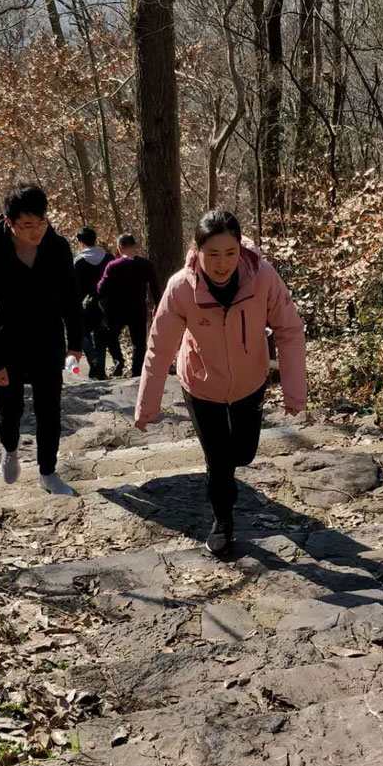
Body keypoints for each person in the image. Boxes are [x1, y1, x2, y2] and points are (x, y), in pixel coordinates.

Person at [134, 209, 306, 558]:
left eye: (229, 253)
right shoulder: (181, 287)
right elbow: (160, 346)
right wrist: (147, 405)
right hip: (201, 385)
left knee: (243, 453)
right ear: (197, 252)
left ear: (240, 250)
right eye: (212, 254)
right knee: (219, 460)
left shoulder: (262, 277)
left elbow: (290, 330)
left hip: (250, 381)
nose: (222, 263)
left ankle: (228, 482)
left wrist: (294, 390)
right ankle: (222, 522)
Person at [0, 183, 84, 495]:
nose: (37, 232)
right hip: (7, 345)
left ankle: (48, 473)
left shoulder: (57, 247)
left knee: (50, 410)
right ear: (10, 223)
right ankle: (9, 450)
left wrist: (75, 343)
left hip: (48, 340)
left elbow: (71, 298)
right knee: (11, 411)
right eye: (28, 226)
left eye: (42, 222)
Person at [97, 233, 161, 378]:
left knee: (110, 335)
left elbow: (101, 288)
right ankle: (137, 371)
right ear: (134, 247)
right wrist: (158, 305)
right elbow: (155, 288)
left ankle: (119, 360)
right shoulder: (146, 265)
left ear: (119, 248)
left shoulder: (113, 266)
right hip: (138, 308)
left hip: (116, 309)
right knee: (138, 342)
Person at [73, 227, 123, 380]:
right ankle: (99, 368)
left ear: (80, 242)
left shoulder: (78, 261)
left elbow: (74, 285)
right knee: (100, 335)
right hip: (105, 303)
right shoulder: (108, 258)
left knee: (83, 335)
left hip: (84, 304)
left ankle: (94, 362)